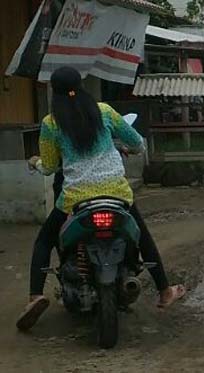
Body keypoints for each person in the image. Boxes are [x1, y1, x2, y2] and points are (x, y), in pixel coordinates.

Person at [17, 67, 185, 331]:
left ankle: (35, 296)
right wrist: (129, 147)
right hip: (116, 193)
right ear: (81, 85)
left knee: (44, 240)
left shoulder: (51, 123)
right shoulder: (104, 111)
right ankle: (164, 291)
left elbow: (50, 167)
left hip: (76, 199)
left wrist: (35, 162)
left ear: (54, 92)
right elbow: (137, 142)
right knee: (143, 237)